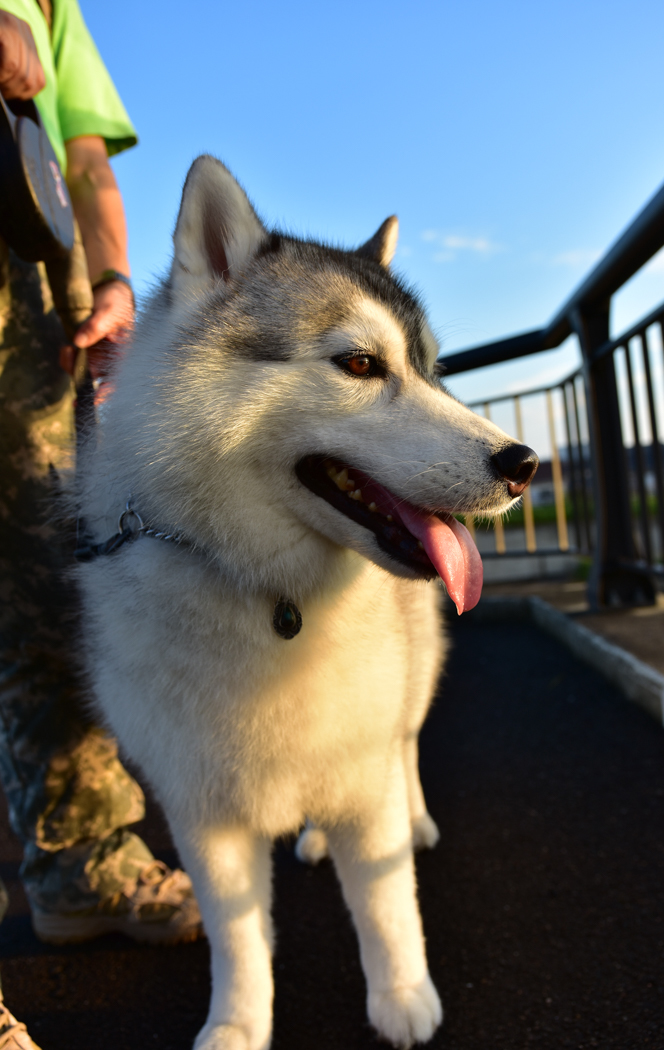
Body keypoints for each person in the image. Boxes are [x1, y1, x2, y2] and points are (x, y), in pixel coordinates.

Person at [0, 4, 201, 1046]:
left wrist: (113, 276)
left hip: (34, 287)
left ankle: (81, 861)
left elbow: (81, 155)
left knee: (48, 584)